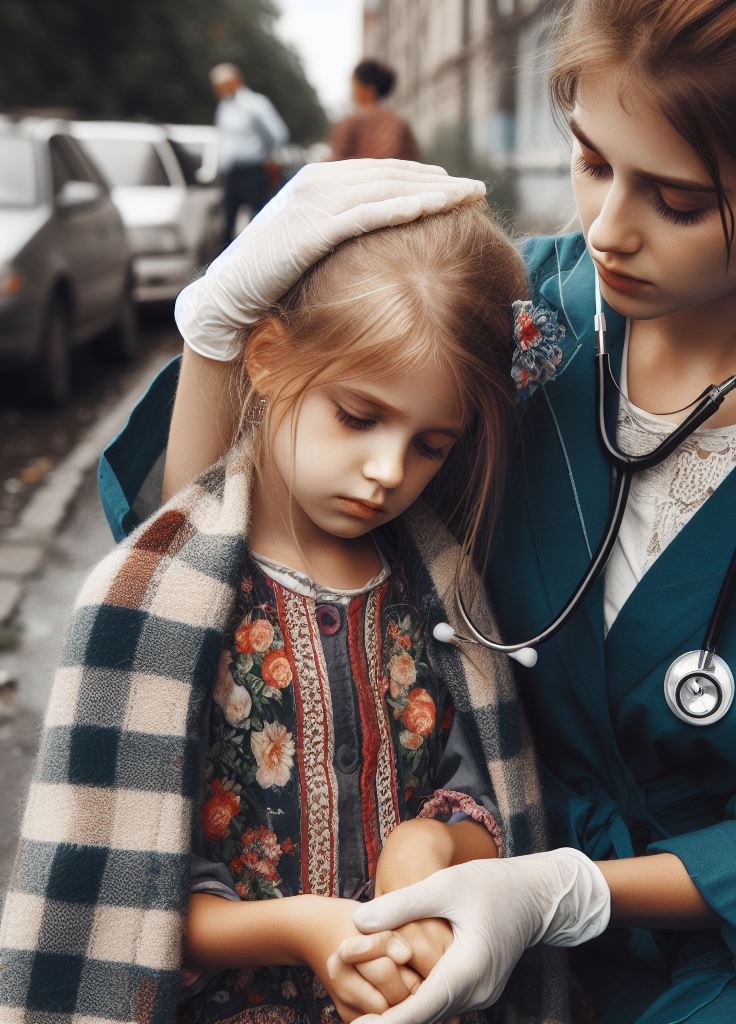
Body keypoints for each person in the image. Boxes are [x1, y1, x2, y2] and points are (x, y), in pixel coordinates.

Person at [76, 0, 736, 1020]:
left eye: (678, 200)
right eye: (592, 160)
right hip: (466, 872)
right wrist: (216, 328)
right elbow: (212, 571)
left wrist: (561, 891)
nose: (607, 230)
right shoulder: (516, 324)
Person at [0, 165, 574, 1024]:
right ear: (267, 358)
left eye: (430, 445)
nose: (388, 471)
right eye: (358, 415)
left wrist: (435, 844)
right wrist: (304, 929)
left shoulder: (437, 589)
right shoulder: (159, 600)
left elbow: (480, 783)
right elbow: (126, 890)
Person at [210, 62, 290, 250]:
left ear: (235, 81)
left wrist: (266, 154)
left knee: (257, 220)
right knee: (227, 222)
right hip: (232, 172)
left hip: (254, 170)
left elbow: (278, 133)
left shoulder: (256, 103)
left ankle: (259, 258)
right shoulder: (224, 107)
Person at [329, 60, 420, 162]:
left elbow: (334, 162)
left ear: (364, 88)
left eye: (353, 84)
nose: (351, 91)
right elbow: (413, 160)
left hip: (359, 178)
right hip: (392, 177)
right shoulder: (401, 124)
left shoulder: (349, 123)